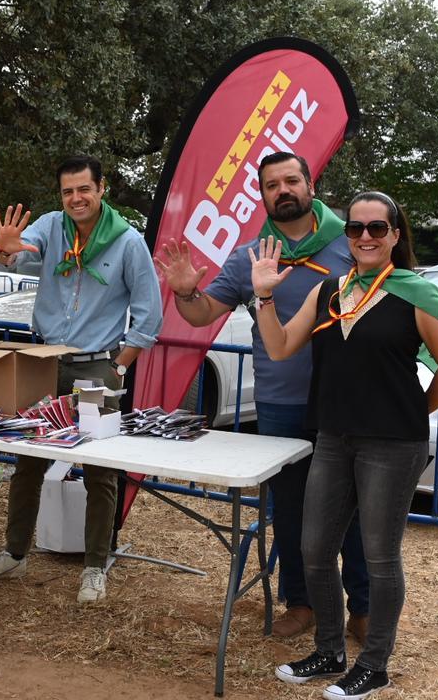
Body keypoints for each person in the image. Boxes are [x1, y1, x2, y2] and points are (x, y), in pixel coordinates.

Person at [251, 191, 438, 699]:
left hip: (391, 446)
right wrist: (263, 297)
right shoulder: (330, 289)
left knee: (378, 557)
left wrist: (413, 413)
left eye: (377, 228)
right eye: (355, 229)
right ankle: (329, 650)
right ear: (346, 235)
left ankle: (375, 665)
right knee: (315, 549)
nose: (365, 237)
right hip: (333, 437)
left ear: (396, 235)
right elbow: (281, 347)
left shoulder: (417, 294)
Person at [154, 151, 370, 639]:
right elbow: (203, 314)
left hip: (344, 401)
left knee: (353, 509)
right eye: (272, 185)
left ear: (310, 184)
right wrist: (187, 292)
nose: (283, 190)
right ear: (263, 194)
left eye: (292, 180)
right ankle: (301, 602)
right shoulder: (251, 255)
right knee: (289, 510)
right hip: (281, 401)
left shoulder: (349, 243)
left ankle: (363, 606)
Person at [0, 154, 163, 605]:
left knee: (100, 470)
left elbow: (150, 317)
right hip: (44, 362)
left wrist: (119, 367)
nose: (76, 198)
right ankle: (15, 554)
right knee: (26, 458)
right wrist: (4, 249)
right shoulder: (52, 226)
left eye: (84, 189)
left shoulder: (129, 242)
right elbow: (17, 252)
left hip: (97, 365)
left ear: (102, 188)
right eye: (68, 191)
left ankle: (95, 565)